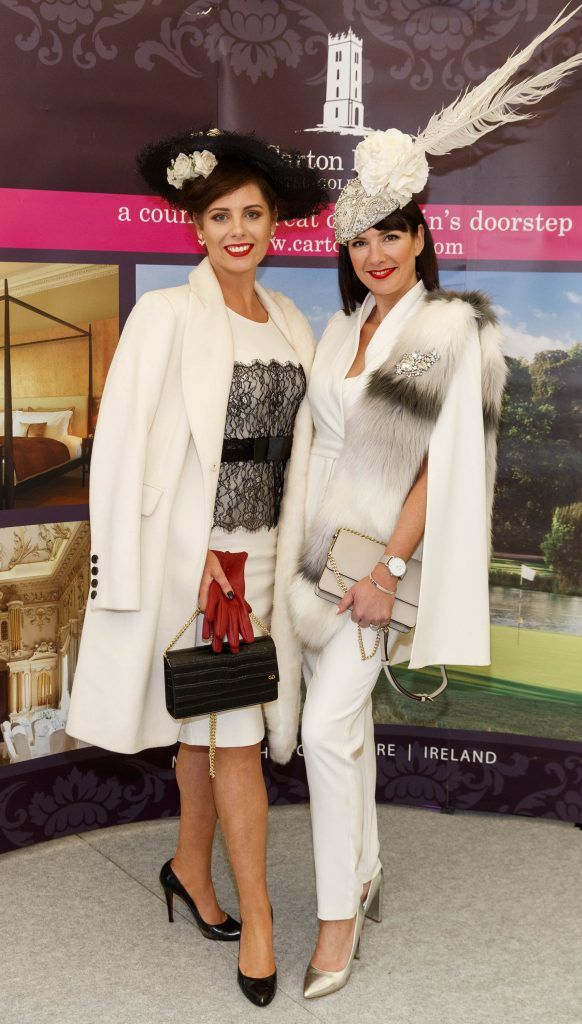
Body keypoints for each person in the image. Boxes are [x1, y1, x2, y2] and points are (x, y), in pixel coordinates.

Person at [289, 6, 582, 999]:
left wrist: (386, 569)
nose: (376, 254)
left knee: (330, 728)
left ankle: (336, 920)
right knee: (341, 726)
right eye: (361, 241)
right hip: (308, 556)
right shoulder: (337, 335)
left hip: (377, 564)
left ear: (421, 240)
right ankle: (367, 863)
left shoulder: (450, 332)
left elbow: (437, 473)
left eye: (393, 237)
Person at [66, 128, 327, 1007]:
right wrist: (145, 568)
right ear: (196, 227)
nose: (238, 230)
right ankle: (259, 919)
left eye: (253, 214)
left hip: (266, 555)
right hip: (195, 560)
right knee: (236, 742)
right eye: (221, 216)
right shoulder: (166, 314)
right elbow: (122, 449)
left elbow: (303, 451)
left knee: (206, 730)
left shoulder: (290, 320)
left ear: (276, 224)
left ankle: (187, 864)